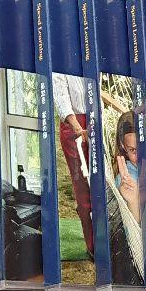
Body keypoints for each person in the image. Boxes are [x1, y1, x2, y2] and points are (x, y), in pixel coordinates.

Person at [52, 76, 93, 254]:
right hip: (74, 126)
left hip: (92, 121)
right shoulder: (60, 65)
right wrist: (77, 126)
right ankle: (92, 244)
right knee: (83, 185)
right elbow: (61, 95)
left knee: (97, 183)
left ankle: (102, 235)